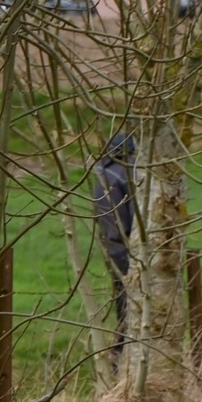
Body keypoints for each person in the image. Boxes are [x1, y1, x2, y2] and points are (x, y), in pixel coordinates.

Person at [91, 134, 135, 363]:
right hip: (127, 250)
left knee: (123, 304)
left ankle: (121, 360)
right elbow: (128, 222)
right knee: (131, 309)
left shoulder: (103, 173)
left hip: (113, 249)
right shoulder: (125, 173)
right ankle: (122, 359)